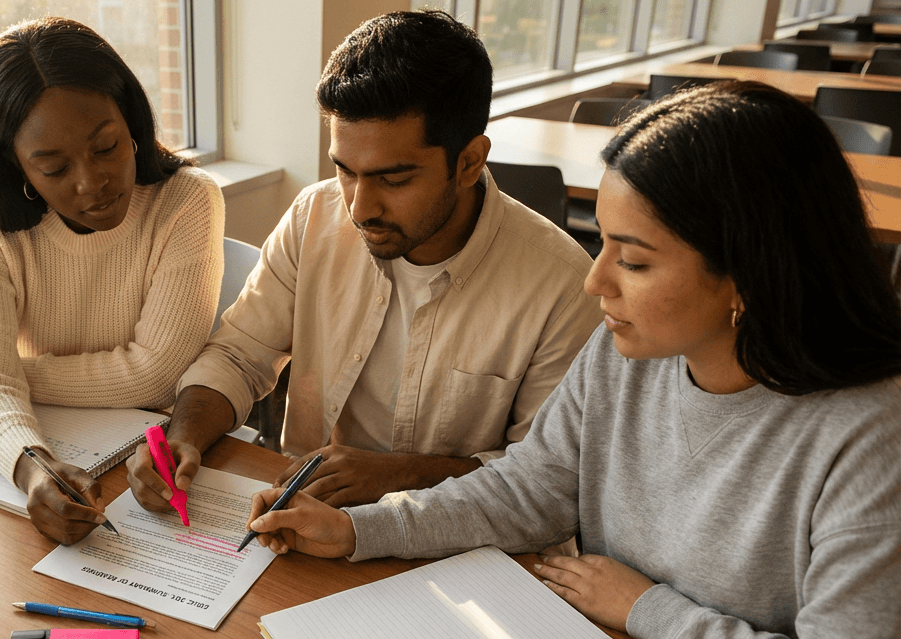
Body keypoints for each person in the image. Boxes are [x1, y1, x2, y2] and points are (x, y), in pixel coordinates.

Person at [241, 81, 901, 639]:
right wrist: (359, 529)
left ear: (747, 275)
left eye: (635, 260)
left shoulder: (871, 438)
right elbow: (526, 491)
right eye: (604, 245)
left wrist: (647, 608)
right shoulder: (635, 353)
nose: (596, 281)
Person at [127, 10, 601, 513]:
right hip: (304, 514)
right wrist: (184, 438)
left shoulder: (563, 287)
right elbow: (239, 355)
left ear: (469, 162)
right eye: (345, 171)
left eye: (394, 179)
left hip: (457, 543)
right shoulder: (315, 214)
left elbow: (545, 478)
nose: (358, 208)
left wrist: (403, 477)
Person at [0, 17, 224, 544]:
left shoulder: (187, 201)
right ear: (16, 168)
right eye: (54, 169)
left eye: (106, 146)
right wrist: (29, 465)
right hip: (51, 436)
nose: (93, 182)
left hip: (158, 464)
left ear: (131, 121)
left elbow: (155, 376)